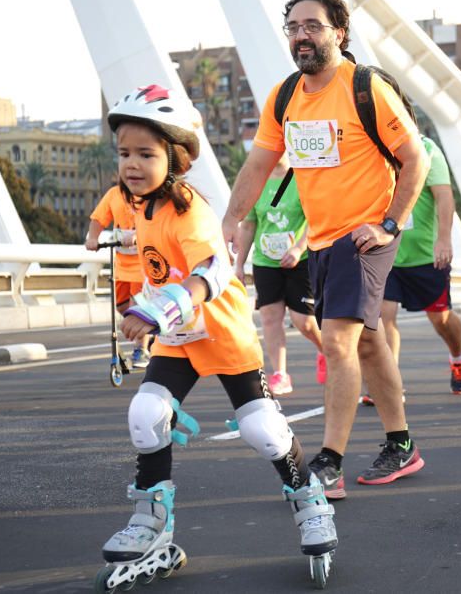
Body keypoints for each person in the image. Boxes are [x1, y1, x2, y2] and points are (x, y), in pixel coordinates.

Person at [97, 85, 336, 589]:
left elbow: (213, 270)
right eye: (124, 154)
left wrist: (159, 310)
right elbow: (144, 270)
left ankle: (308, 498)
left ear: (176, 158)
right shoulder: (134, 208)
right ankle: (152, 520)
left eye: (146, 153)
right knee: (146, 414)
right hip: (178, 336)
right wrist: (132, 309)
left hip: (222, 333)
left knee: (262, 429)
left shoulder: (190, 210)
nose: (132, 164)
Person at [222, 0, 429, 499]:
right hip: (321, 240)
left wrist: (390, 224)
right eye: (293, 27)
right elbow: (259, 164)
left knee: (337, 340)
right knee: (368, 341)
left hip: (366, 236)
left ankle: (328, 464)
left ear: (339, 32)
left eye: (312, 25)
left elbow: (415, 158)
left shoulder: (367, 88)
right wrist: (229, 219)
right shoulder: (285, 95)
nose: (301, 35)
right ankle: (401, 444)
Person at [376, 73, 461, 395]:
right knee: (382, 317)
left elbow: (444, 196)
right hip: (388, 253)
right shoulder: (374, 152)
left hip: (425, 254)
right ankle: (389, 384)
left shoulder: (427, 149)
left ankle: (459, 355)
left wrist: (444, 239)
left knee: (441, 320)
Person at [234, 152, 325, 395]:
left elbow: (315, 220)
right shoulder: (258, 180)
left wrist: (297, 248)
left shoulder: (302, 178)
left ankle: (326, 350)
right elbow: (249, 225)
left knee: (304, 322)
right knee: (270, 319)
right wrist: (239, 264)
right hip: (265, 261)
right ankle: (280, 374)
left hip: (300, 261)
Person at [85, 185, 150, 368]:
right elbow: (98, 218)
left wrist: (139, 235)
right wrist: (93, 238)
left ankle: (141, 350)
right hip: (121, 263)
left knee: (138, 308)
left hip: (143, 263)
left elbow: (158, 221)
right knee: (122, 306)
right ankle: (148, 333)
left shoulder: (149, 193)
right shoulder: (114, 194)